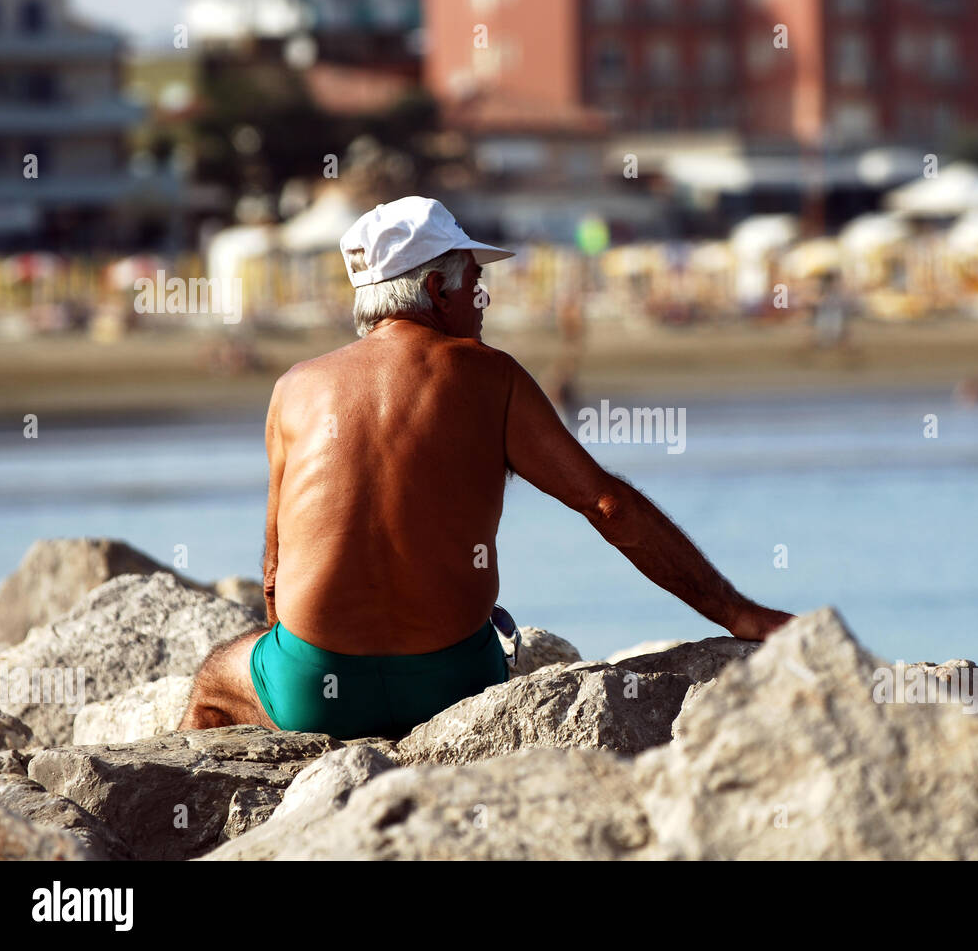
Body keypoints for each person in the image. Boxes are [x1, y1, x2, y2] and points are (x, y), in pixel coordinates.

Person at [179, 197, 793, 739]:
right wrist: (735, 613)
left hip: (313, 691)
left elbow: (274, 568)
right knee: (497, 631)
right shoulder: (489, 375)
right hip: (446, 683)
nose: (484, 296)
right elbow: (608, 506)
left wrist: (313, 659)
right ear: (436, 292)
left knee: (214, 676)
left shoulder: (295, 388)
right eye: (475, 279)